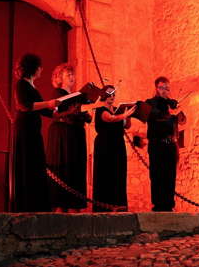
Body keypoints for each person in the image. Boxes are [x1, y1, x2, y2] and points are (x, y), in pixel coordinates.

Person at [12, 53, 59, 212]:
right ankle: (27, 204)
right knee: (28, 163)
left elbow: (45, 111)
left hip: (33, 131)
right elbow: (25, 105)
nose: (41, 69)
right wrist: (49, 103)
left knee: (36, 163)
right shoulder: (21, 85)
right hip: (25, 131)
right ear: (33, 68)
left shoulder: (32, 86)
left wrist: (60, 110)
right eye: (39, 66)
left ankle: (37, 203)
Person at [45, 63, 95, 213]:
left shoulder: (79, 97)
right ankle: (60, 209)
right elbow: (54, 113)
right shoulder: (56, 93)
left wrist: (86, 111)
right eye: (68, 75)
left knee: (75, 170)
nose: (72, 77)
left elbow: (86, 117)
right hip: (62, 134)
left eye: (73, 75)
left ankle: (75, 208)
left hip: (76, 136)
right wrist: (73, 111)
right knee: (63, 169)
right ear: (60, 78)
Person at [92, 85, 136, 212]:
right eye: (109, 94)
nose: (112, 96)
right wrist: (124, 115)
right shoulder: (100, 109)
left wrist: (129, 115)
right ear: (104, 95)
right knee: (106, 174)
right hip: (105, 146)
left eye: (113, 94)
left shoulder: (118, 110)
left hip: (118, 144)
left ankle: (119, 204)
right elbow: (109, 118)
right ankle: (104, 206)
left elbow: (127, 126)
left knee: (119, 173)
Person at [145, 76, 186, 212]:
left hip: (170, 144)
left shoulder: (172, 104)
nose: (164, 91)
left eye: (167, 88)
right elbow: (157, 117)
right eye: (162, 88)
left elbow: (182, 121)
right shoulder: (150, 103)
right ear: (156, 88)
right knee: (157, 175)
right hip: (156, 144)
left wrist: (178, 112)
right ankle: (158, 205)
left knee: (170, 175)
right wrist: (171, 114)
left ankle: (169, 204)